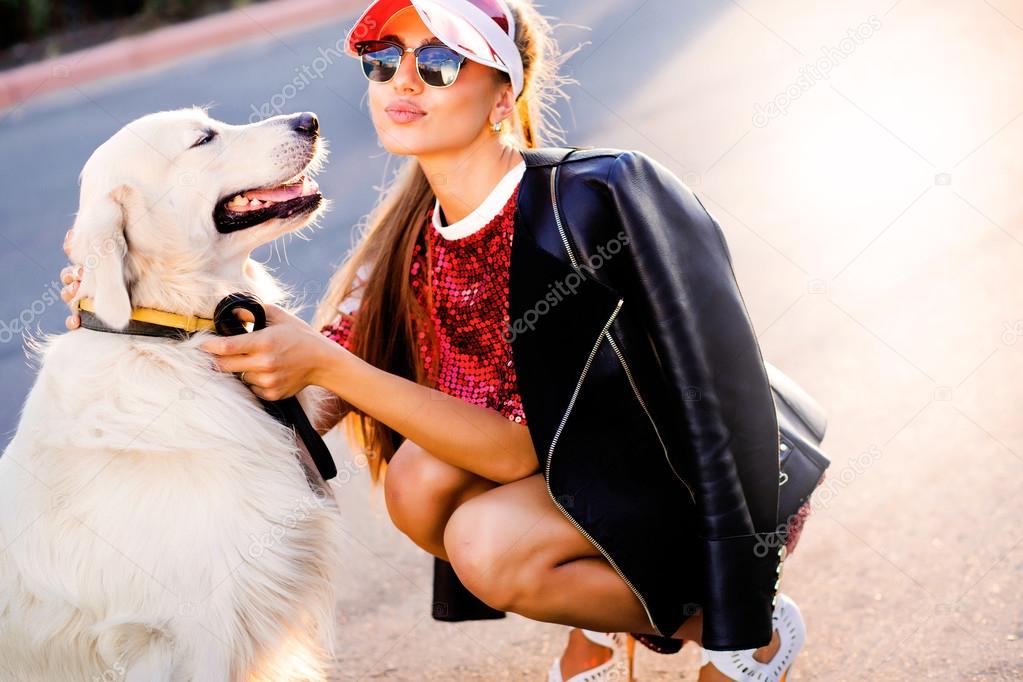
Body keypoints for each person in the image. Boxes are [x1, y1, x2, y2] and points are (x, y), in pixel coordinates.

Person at [60, 1, 821, 679]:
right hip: (578, 486)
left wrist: (738, 609)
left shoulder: (601, 194)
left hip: (706, 484)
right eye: (384, 61)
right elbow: (303, 404)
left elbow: (723, 397)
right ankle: (597, 618)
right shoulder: (401, 247)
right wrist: (134, 309)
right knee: (417, 482)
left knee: (486, 544)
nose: (403, 82)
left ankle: (744, 638)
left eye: (439, 61)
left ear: (502, 92)